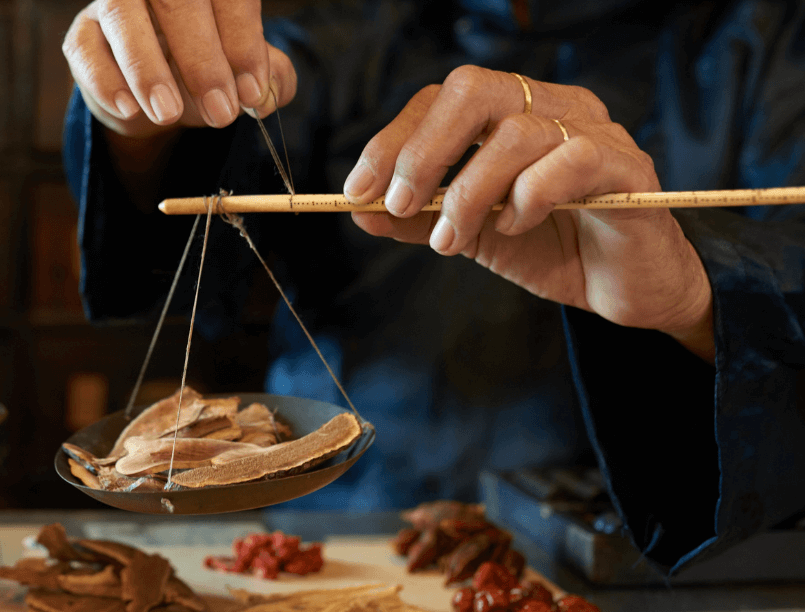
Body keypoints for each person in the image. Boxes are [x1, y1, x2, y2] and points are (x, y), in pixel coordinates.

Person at [61, 0, 805, 574]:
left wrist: (695, 296)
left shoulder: (762, 35)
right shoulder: (345, 26)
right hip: (336, 523)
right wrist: (145, 105)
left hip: (644, 552)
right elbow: (179, 250)